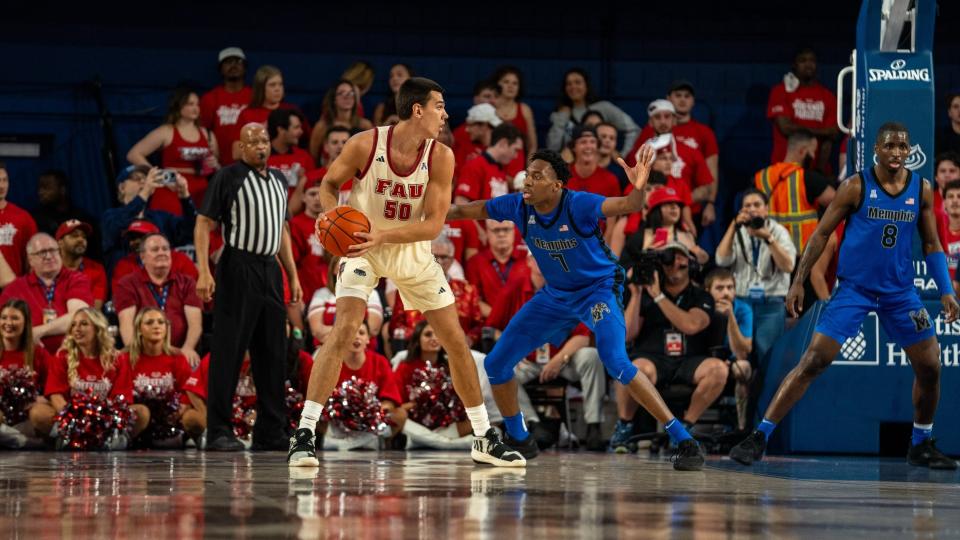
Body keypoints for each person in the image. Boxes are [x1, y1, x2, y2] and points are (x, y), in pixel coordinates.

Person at [288, 77, 525, 468]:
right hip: (363, 247)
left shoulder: (441, 156)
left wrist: (382, 234)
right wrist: (330, 214)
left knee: (455, 342)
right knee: (344, 329)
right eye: (439, 106)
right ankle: (304, 433)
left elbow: (433, 226)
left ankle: (483, 437)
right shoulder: (364, 144)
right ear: (418, 110)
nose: (446, 115)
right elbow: (329, 183)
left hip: (408, 250)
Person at [446, 146, 705, 470]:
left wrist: (638, 187)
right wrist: (424, 212)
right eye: (528, 173)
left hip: (597, 292)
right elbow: (467, 211)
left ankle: (683, 439)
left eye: (537, 176)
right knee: (497, 364)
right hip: (556, 295)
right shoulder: (518, 206)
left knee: (615, 360)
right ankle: (520, 439)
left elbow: (627, 205)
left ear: (556, 186)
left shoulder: (577, 203)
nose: (528, 180)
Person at [729, 122, 960, 470]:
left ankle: (921, 443)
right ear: (876, 151)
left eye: (902, 146)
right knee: (812, 362)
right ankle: (760, 436)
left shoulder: (922, 188)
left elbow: (931, 244)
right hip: (855, 290)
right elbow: (821, 234)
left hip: (901, 293)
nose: (897, 153)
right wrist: (798, 281)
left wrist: (945, 291)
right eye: (890, 146)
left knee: (930, 367)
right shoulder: (855, 186)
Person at [194, 122, 303, 452]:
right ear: (240, 148)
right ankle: (219, 431)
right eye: (252, 142)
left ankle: (271, 430)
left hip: (270, 268)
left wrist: (293, 275)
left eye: (264, 141)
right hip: (237, 265)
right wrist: (203, 270)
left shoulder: (280, 181)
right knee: (229, 350)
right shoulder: (228, 177)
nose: (260, 147)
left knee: (272, 351)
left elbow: (282, 230)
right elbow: (203, 222)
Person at [488, 255, 608, 451]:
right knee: (499, 370)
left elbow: (583, 336)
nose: (542, 262)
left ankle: (594, 426)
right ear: (527, 262)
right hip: (526, 360)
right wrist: (511, 349)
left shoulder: (570, 288)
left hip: (563, 358)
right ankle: (532, 423)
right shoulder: (515, 286)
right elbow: (492, 328)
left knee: (591, 356)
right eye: (536, 258)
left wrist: (560, 359)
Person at [617, 242, 726, 450]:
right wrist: (638, 294)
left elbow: (691, 325)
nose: (675, 263)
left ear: (690, 264)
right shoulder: (646, 292)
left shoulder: (701, 296)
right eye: (669, 258)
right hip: (653, 358)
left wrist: (658, 296)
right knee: (632, 368)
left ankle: (684, 428)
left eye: (680, 258)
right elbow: (627, 335)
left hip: (689, 360)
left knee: (719, 369)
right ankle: (624, 426)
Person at [31, 308, 137, 449]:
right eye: (73, 325)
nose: (77, 329)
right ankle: (73, 438)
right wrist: (76, 419)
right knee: (38, 413)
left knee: (141, 412)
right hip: (72, 419)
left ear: (98, 328)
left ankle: (105, 440)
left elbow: (121, 399)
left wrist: (100, 419)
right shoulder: (62, 357)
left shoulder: (118, 359)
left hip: (106, 420)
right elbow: (56, 397)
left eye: (84, 324)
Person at [715, 189, 796, 366]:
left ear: (766, 209)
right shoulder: (738, 231)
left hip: (771, 304)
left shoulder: (778, 231)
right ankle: (742, 393)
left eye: (757, 205)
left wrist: (769, 239)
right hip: (743, 302)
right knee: (740, 357)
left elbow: (788, 265)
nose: (752, 209)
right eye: (747, 206)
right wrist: (733, 226)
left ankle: (768, 394)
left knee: (769, 356)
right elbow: (721, 260)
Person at [113, 233, 203, 366]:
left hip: (179, 353)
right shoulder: (127, 284)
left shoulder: (187, 282)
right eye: (155, 249)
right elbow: (126, 325)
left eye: (165, 249)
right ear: (142, 257)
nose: (162, 252)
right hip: (144, 354)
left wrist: (188, 348)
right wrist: (135, 351)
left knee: (194, 363)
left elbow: (195, 325)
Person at [126, 87, 220, 209]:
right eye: (190, 104)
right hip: (172, 190)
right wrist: (162, 177)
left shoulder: (207, 134)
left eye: (197, 104)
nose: (195, 108)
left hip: (200, 192)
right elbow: (133, 154)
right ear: (179, 106)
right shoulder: (166, 131)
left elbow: (217, 166)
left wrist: (215, 165)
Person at [122, 307, 203, 445]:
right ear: (139, 329)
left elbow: (188, 389)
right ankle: (124, 440)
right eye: (149, 322)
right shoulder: (125, 358)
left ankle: (196, 439)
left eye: (161, 322)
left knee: (191, 415)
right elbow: (121, 391)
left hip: (170, 419)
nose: (156, 326)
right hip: (141, 417)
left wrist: (183, 406)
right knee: (142, 412)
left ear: (167, 328)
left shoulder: (177, 357)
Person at [628, 99, 716, 227]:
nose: (663, 121)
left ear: (675, 120)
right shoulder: (640, 152)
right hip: (645, 216)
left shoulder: (691, 151)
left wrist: (676, 200)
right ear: (650, 122)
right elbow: (632, 184)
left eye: (667, 116)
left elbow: (706, 188)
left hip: (684, 217)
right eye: (657, 117)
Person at [0, 233, 92, 354]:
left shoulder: (76, 279)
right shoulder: (15, 289)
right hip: (29, 358)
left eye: (53, 250)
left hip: (71, 356)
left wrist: (38, 331)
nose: (49, 256)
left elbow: (79, 316)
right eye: (42, 252)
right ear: (30, 259)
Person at [392, 321, 474, 449]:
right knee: (397, 415)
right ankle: (448, 444)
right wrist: (418, 403)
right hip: (415, 424)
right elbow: (397, 407)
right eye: (428, 335)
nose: (434, 338)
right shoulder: (404, 368)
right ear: (417, 340)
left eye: (438, 334)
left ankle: (424, 442)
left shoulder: (450, 368)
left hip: (444, 426)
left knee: (474, 417)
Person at [754, 130, 836, 253]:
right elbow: (839, 202)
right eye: (812, 152)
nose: (813, 157)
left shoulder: (761, 177)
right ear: (802, 151)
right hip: (801, 257)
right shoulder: (808, 178)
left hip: (768, 253)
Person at [101, 165, 196, 272]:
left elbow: (190, 231)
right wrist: (145, 191)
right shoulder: (110, 216)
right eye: (137, 179)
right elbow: (119, 225)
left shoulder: (161, 217)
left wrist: (185, 196)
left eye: (145, 179)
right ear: (122, 188)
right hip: (125, 283)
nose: (143, 182)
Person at [767, 47, 838, 175]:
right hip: (784, 167)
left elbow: (833, 133)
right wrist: (819, 132)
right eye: (803, 60)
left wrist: (820, 171)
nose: (808, 64)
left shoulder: (828, 96)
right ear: (794, 65)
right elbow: (785, 128)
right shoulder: (780, 91)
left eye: (812, 60)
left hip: (818, 170)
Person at [635, 80, 720, 183]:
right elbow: (634, 164)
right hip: (653, 191)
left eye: (687, 96)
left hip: (688, 194)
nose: (682, 99)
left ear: (693, 101)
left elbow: (712, 174)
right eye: (678, 95)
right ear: (668, 98)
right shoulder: (649, 130)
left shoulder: (705, 132)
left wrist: (708, 198)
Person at [704, 268, 753, 430]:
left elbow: (742, 352)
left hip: (731, 362)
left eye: (730, 287)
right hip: (702, 362)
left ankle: (741, 428)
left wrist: (730, 317)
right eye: (719, 288)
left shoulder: (743, 309)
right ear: (707, 291)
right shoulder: (700, 307)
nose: (726, 293)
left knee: (744, 368)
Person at [547, 68, 639, 156]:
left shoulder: (604, 108)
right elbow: (552, 148)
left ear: (586, 85)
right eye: (569, 84)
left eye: (577, 82)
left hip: (600, 167)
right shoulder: (560, 114)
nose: (573, 87)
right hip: (571, 167)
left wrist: (623, 156)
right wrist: (562, 117)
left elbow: (633, 129)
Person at [0, 300, 54, 447]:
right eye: (4, 317)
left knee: (41, 414)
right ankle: (22, 441)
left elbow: (55, 386)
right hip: (2, 417)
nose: (8, 323)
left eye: (15, 318)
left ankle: (11, 439)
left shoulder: (38, 353)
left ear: (26, 322)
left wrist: (43, 398)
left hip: (27, 418)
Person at [234, 66, 310, 160]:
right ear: (261, 88)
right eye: (272, 85)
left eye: (280, 84)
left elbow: (307, 142)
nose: (277, 89)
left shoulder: (292, 111)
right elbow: (236, 154)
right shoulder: (247, 115)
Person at [307, 257, 383, 347]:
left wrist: (338, 334)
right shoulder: (321, 294)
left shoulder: (371, 292)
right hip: (327, 347)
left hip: (361, 350)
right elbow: (317, 330)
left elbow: (373, 328)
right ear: (334, 269)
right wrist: (352, 333)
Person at [465, 219, 530, 318]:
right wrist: (498, 318)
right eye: (496, 230)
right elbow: (473, 299)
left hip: (524, 320)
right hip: (490, 323)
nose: (501, 234)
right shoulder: (475, 262)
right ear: (487, 232)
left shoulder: (527, 260)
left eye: (506, 229)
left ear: (514, 231)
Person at [200, 47, 252, 167]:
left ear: (245, 67)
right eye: (228, 62)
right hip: (219, 167)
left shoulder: (255, 96)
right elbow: (201, 133)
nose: (233, 65)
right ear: (220, 69)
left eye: (238, 61)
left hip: (250, 164)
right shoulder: (210, 98)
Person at [454, 123, 524, 204]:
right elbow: (461, 206)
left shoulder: (500, 169)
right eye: (515, 150)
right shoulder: (475, 166)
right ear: (503, 143)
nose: (516, 156)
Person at [309, 79, 374, 163]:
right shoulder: (322, 126)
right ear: (334, 99)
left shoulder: (365, 125)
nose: (347, 96)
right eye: (341, 93)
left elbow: (372, 154)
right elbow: (313, 156)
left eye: (351, 93)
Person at [33, 169, 98, 242]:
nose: (40, 192)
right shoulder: (36, 220)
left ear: (62, 190)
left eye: (46, 187)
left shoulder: (82, 218)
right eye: (39, 188)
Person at [55, 220, 107, 310]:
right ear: (60, 242)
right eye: (74, 236)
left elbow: (94, 310)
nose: (81, 240)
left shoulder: (97, 269)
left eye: (84, 237)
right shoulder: (49, 269)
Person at [0, 162, 38, 276]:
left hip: (13, 290)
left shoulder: (22, 217)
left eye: (5, 180)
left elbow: (33, 259)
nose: (1, 186)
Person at [492, 66, 538, 159]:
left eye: (515, 83)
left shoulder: (525, 110)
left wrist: (529, 170)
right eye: (506, 82)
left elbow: (532, 145)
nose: (510, 86)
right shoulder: (490, 108)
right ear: (497, 84)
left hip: (518, 165)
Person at [939, 180, 960, 291]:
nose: (955, 200)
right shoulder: (936, 235)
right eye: (951, 196)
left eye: (959, 196)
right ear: (944, 202)